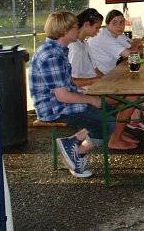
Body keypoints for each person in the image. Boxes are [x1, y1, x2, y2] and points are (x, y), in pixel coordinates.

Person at [29, 11, 116, 178]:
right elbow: (62, 96)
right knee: (108, 123)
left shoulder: (57, 50)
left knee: (111, 111)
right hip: (54, 108)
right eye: (76, 27)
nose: (78, 30)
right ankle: (78, 152)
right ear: (64, 31)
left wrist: (85, 93)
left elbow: (67, 84)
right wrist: (90, 99)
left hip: (60, 102)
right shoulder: (52, 55)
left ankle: (72, 142)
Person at [68, 8, 138, 149]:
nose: (98, 31)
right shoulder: (75, 48)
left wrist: (108, 81)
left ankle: (117, 133)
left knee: (130, 90)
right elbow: (72, 81)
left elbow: (95, 70)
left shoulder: (84, 44)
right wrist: (98, 81)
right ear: (86, 25)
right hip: (85, 93)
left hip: (94, 87)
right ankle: (115, 138)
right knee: (132, 96)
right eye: (96, 27)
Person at [88, 9, 144, 136]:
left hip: (109, 75)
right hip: (98, 80)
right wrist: (133, 49)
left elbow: (138, 47)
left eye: (121, 22)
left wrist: (133, 49)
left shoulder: (117, 34)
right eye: (114, 23)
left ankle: (137, 122)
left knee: (138, 85)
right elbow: (131, 54)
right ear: (107, 24)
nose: (119, 26)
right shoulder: (104, 37)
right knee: (137, 89)